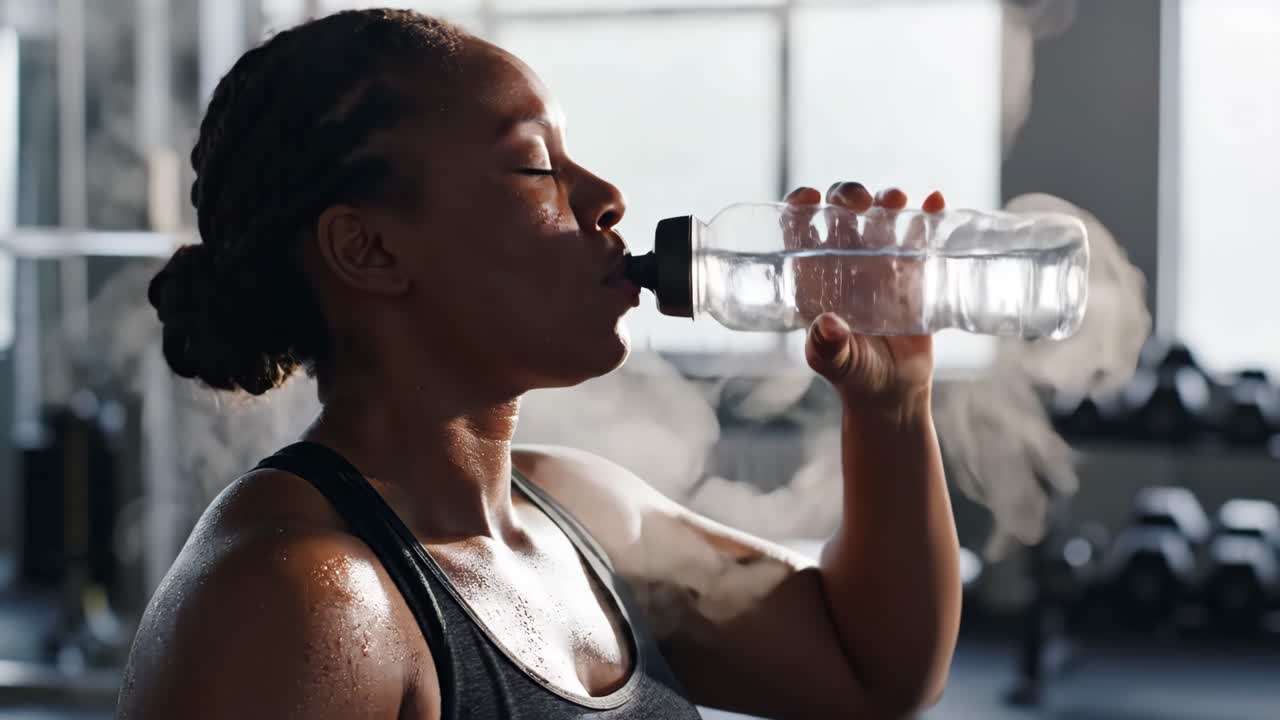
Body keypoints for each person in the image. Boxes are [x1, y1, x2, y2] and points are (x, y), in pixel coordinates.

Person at [116, 8, 960, 720]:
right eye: (535, 166)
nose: (605, 198)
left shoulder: (583, 512)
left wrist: (890, 411)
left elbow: (869, 670)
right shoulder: (308, 599)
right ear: (367, 247)